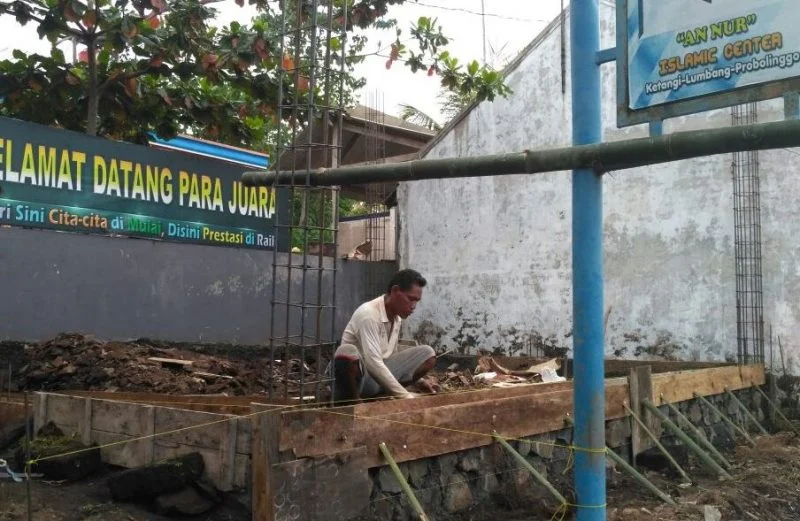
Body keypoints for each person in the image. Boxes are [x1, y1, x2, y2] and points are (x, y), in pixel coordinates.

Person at [330, 269, 438, 402]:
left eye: (417, 301)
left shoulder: (397, 318)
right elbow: (373, 363)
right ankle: (355, 403)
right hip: (359, 381)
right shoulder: (369, 314)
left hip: (376, 381)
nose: (413, 306)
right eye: (410, 299)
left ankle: (385, 394)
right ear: (395, 291)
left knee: (428, 354)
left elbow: (391, 356)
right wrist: (405, 396)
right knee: (347, 352)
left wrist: (419, 382)